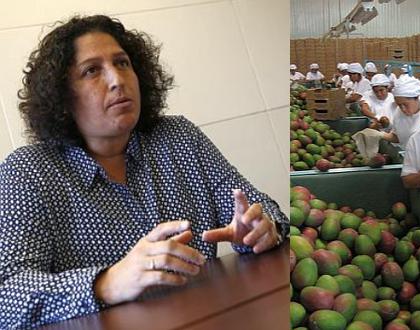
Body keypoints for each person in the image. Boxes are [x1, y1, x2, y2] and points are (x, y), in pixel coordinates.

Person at [0, 15, 289, 328]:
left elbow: (262, 211)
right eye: (92, 70)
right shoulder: (28, 172)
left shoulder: (179, 138)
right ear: (62, 97)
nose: (117, 80)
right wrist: (106, 283)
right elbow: (8, 295)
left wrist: (261, 229)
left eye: (122, 63)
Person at [381, 75, 420, 149]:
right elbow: (397, 137)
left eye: (405, 104)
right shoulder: (398, 112)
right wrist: (380, 135)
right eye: (399, 104)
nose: (402, 109)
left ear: (418, 98)